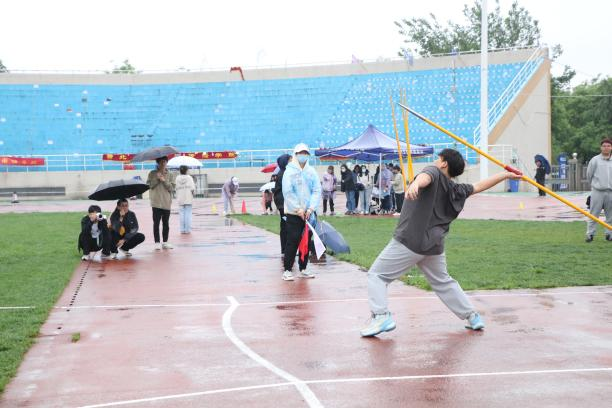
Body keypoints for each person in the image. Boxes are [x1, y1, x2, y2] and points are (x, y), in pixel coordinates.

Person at [360, 148, 522, 337]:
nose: (436, 161)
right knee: (443, 282)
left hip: (411, 241)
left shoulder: (434, 172)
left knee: (377, 275)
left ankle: (381, 316)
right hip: (434, 246)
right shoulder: (457, 190)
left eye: (439, 158)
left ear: (444, 163)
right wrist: (505, 175)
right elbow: (479, 186)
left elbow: (426, 177)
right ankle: (472, 316)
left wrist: (415, 184)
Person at [281, 143, 321, 281]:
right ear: (296, 154)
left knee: (306, 241)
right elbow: (288, 192)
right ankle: (287, 269)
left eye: (305, 153)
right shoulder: (289, 172)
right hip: (294, 213)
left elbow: (316, 190)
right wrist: (297, 208)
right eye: (300, 153)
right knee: (292, 241)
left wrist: (311, 208)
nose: (303, 155)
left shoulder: (311, 172)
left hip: (309, 214)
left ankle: (303, 268)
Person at [585, 138, 612, 242]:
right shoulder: (595, 160)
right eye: (604, 146)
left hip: (610, 192)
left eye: (608, 146)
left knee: (610, 215)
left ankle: (609, 234)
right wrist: (595, 185)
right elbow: (589, 175)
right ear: (601, 148)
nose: (606, 148)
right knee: (593, 214)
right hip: (597, 191)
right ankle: (590, 234)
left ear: (611, 148)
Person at [147, 156, 175, 250]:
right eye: (161, 162)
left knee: (166, 223)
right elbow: (149, 185)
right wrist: (157, 179)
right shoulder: (152, 173)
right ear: (158, 163)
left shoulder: (170, 174)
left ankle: (165, 242)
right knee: (156, 223)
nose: (163, 163)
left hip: (166, 202)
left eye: (165, 161)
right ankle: (157, 242)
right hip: (156, 202)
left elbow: (171, 188)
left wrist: (164, 180)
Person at [273, 154, 292, 256]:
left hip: (283, 203)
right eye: (290, 160)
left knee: (285, 226)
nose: (292, 162)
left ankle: (285, 249)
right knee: (286, 226)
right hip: (283, 204)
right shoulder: (284, 173)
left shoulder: (283, 172)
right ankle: (285, 249)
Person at [175, 165, 196, 234]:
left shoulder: (177, 178)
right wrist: (193, 194)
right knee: (188, 214)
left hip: (180, 198)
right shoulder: (189, 178)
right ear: (186, 170)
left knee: (181, 214)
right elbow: (192, 188)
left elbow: (175, 188)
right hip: (188, 198)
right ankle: (187, 229)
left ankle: (182, 229)